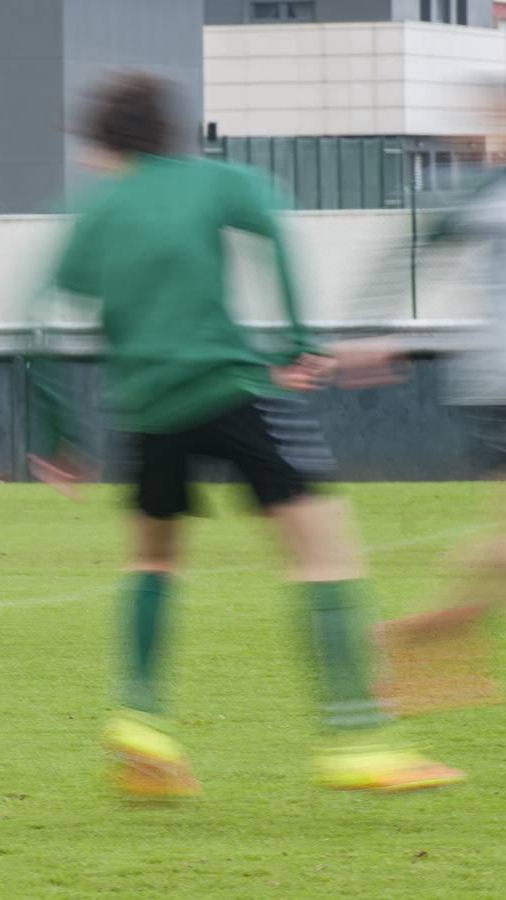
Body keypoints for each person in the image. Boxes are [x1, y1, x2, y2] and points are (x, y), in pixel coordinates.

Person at [37, 72, 463, 796]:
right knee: (324, 549)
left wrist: (60, 435)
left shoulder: (96, 212)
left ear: (106, 140)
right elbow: (272, 227)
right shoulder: (214, 182)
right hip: (229, 390)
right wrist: (301, 338)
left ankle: (141, 724)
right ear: (166, 129)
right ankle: (356, 736)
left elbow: (38, 320)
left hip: (147, 411)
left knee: (153, 562)